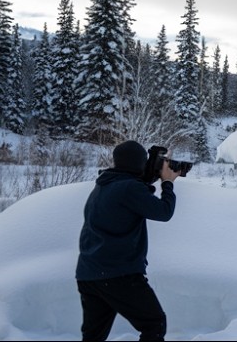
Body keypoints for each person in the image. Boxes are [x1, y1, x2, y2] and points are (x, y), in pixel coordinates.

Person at [76, 140, 180, 342]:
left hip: (89, 274)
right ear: (140, 163)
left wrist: (150, 176)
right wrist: (167, 182)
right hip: (119, 274)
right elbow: (163, 212)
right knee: (154, 324)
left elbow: (133, 194)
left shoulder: (103, 186)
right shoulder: (129, 189)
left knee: (93, 336)